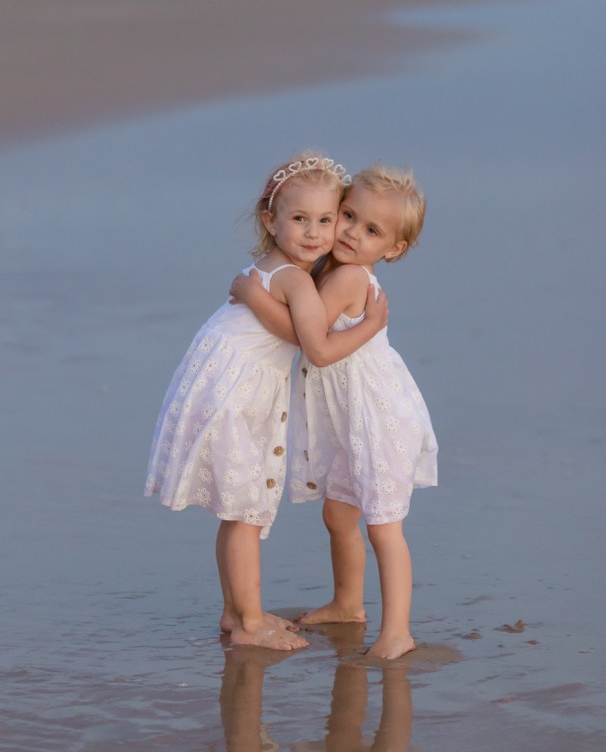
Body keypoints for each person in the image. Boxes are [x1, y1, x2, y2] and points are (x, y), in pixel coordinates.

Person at [144, 151, 388, 652]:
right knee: (246, 513)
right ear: (269, 220)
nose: (315, 233)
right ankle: (251, 624)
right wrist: (368, 326)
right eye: (300, 219)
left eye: (327, 219)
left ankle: (235, 613)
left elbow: (291, 332)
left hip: (220, 381)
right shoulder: (296, 278)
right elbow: (313, 346)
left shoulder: (274, 267)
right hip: (239, 394)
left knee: (236, 511)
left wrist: (250, 293)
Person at [230, 163, 438, 659]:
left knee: (384, 526)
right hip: (351, 416)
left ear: (393, 249)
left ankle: (398, 631)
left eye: (371, 231)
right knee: (338, 514)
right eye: (347, 215)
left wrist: (250, 292)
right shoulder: (333, 270)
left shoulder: (347, 277)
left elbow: (308, 336)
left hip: (376, 415)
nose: (348, 232)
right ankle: (348, 602)